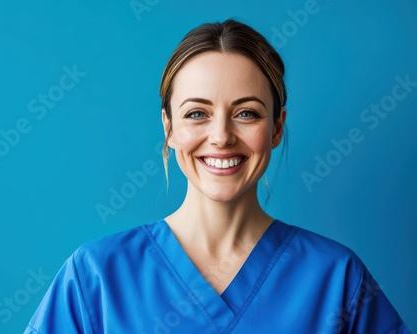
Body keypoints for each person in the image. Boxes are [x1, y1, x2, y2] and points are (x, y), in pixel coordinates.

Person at [24, 19, 410, 333]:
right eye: (196, 113)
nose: (222, 136)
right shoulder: (97, 278)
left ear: (276, 129)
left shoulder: (336, 280)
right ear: (169, 128)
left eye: (247, 113)